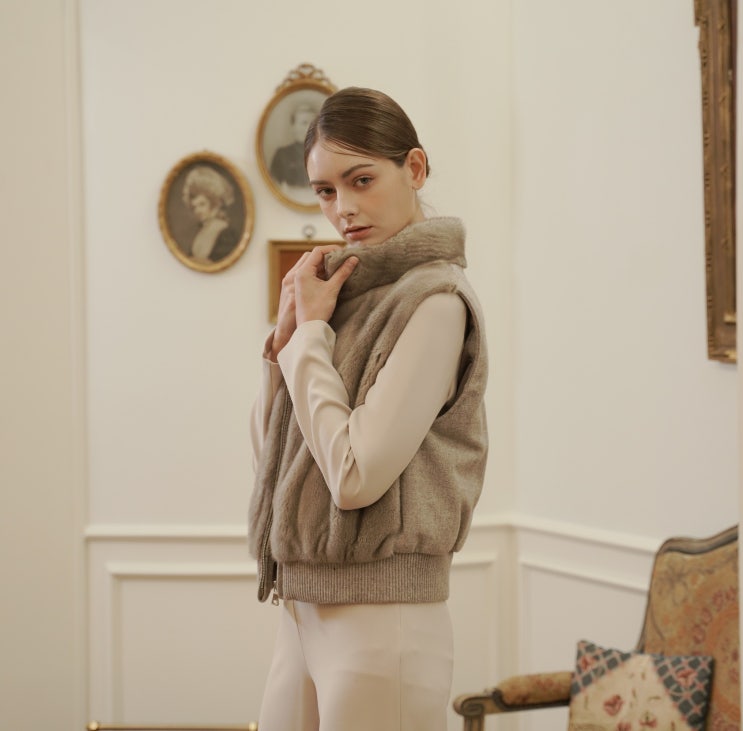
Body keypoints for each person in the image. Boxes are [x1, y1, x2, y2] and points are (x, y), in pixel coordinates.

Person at [248, 86, 488, 731]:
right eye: (325, 191)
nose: (344, 209)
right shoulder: (342, 293)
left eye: (361, 180)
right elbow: (273, 459)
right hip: (300, 611)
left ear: (414, 168)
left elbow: (354, 477)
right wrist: (284, 340)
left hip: (384, 623)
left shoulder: (434, 301)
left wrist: (308, 338)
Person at [181, 165, 239, 262]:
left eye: (202, 204)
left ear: (214, 203)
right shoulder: (203, 229)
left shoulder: (226, 233)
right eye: (194, 207)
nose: (197, 211)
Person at [269, 102, 317, 189]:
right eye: (304, 123)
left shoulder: (324, 154)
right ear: (293, 127)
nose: (310, 127)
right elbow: (274, 185)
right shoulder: (282, 155)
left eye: (313, 123)